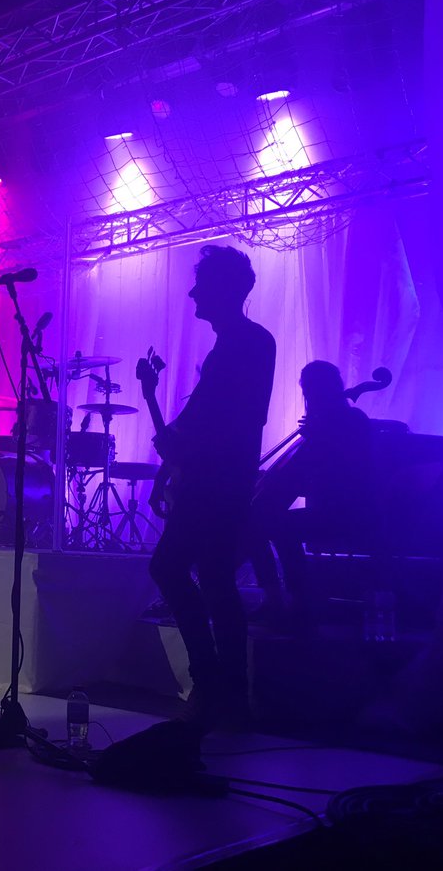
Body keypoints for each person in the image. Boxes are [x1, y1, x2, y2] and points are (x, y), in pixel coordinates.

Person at [137, 245, 276, 730]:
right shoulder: (238, 345)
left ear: (223, 289)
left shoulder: (247, 344)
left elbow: (225, 421)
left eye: (202, 285)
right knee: (214, 579)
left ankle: (213, 685)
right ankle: (227, 693)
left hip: (218, 481)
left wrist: (179, 454)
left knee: (173, 568)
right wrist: (170, 459)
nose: (193, 293)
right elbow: (199, 418)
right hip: (217, 478)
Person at [247, 361, 374, 628]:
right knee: (258, 521)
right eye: (307, 391)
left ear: (327, 389)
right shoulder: (323, 426)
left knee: (281, 527)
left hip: (350, 512)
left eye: (312, 390)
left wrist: (319, 439)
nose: (309, 397)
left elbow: (351, 473)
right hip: (329, 510)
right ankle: (277, 598)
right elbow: (304, 478)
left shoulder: (354, 421)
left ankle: (297, 600)